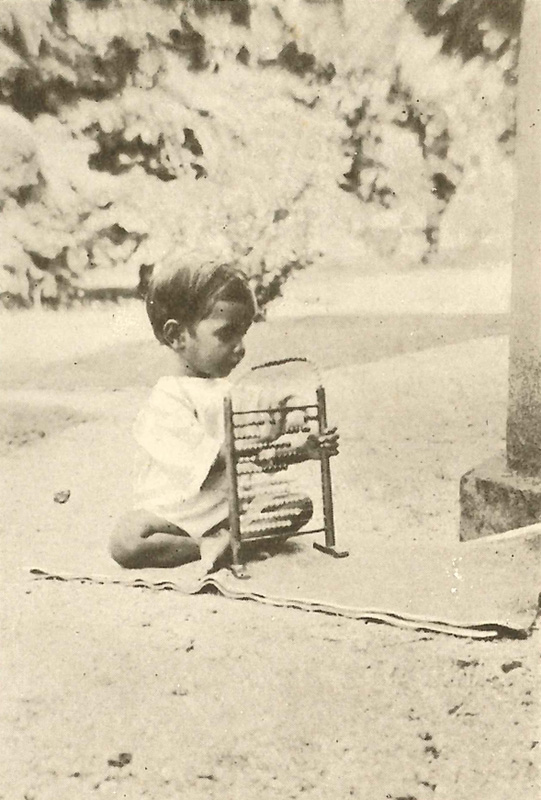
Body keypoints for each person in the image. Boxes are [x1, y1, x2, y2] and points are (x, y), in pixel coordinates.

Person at [109, 259, 339, 575]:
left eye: (243, 334)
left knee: (298, 505)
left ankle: (228, 539)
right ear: (177, 336)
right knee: (126, 540)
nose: (241, 348)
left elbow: (269, 433)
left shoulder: (232, 391)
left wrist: (299, 434)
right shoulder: (166, 401)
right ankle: (211, 545)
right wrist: (262, 440)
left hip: (230, 510)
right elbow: (218, 459)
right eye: (227, 334)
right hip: (176, 514)